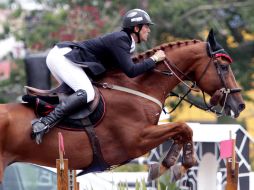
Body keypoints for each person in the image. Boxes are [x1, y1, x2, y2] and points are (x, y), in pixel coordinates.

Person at [32, 8, 166, 144]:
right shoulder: (121, 39)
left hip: (63, 57)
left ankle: (67, 131)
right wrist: (154, 59)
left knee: (78, 98)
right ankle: (44, 123)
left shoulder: (126, 42)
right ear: (136, 28)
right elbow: (131, 71)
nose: (148, 30)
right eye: (146, 26)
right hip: (62, 57)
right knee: (87, 93)